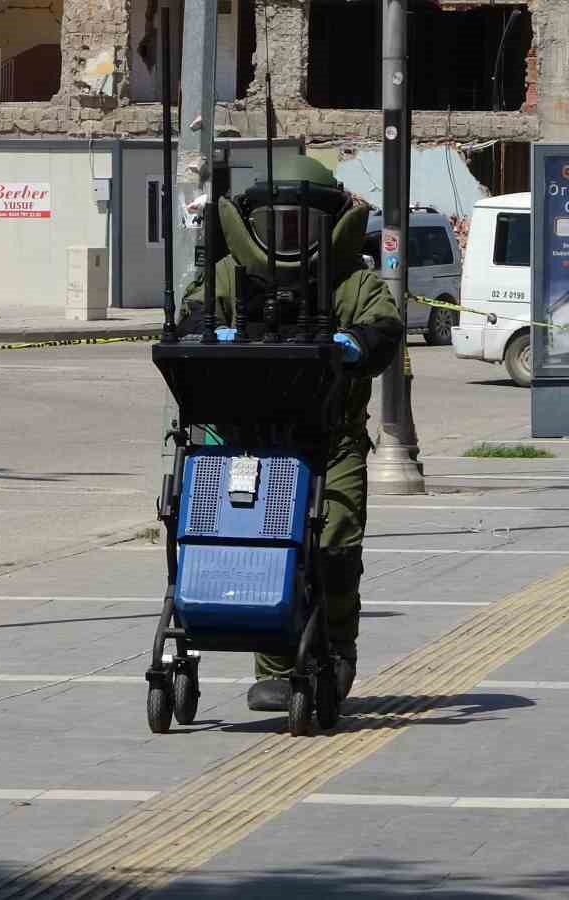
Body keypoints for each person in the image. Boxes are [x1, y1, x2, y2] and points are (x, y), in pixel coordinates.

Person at [182, 155, 405, 712]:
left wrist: (356, 344)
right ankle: (277, 666)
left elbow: (384, 327)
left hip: (332, 436)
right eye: (276, 223)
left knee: (332, 540)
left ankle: (335, 645)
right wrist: (209, 332)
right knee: (253, 544)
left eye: (301, 224)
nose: (287, 236)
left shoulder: (352, 279)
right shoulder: (228, 275)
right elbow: (188, 318)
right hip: (245, 437)